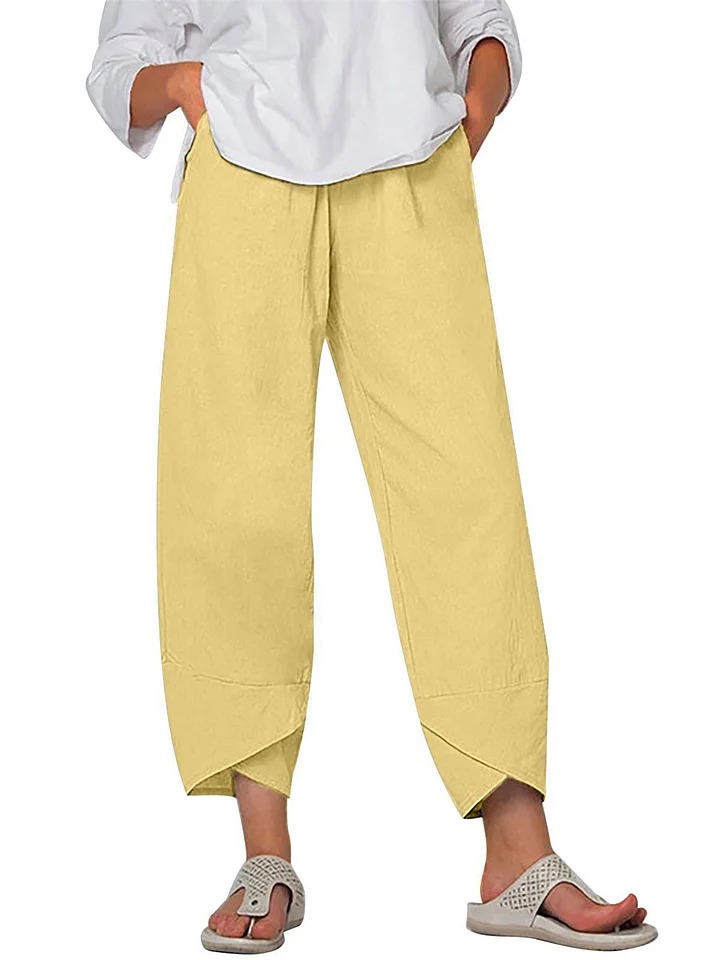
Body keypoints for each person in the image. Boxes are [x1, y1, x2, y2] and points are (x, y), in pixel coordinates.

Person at [87, 1, 656, 952]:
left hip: (411, 168)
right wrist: (187, 84)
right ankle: (265, 854)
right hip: (247, 173)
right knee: (235, 506)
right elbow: (119, 66)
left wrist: (478, 102)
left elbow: (478, 18)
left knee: (468, 495)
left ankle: (517, 852)